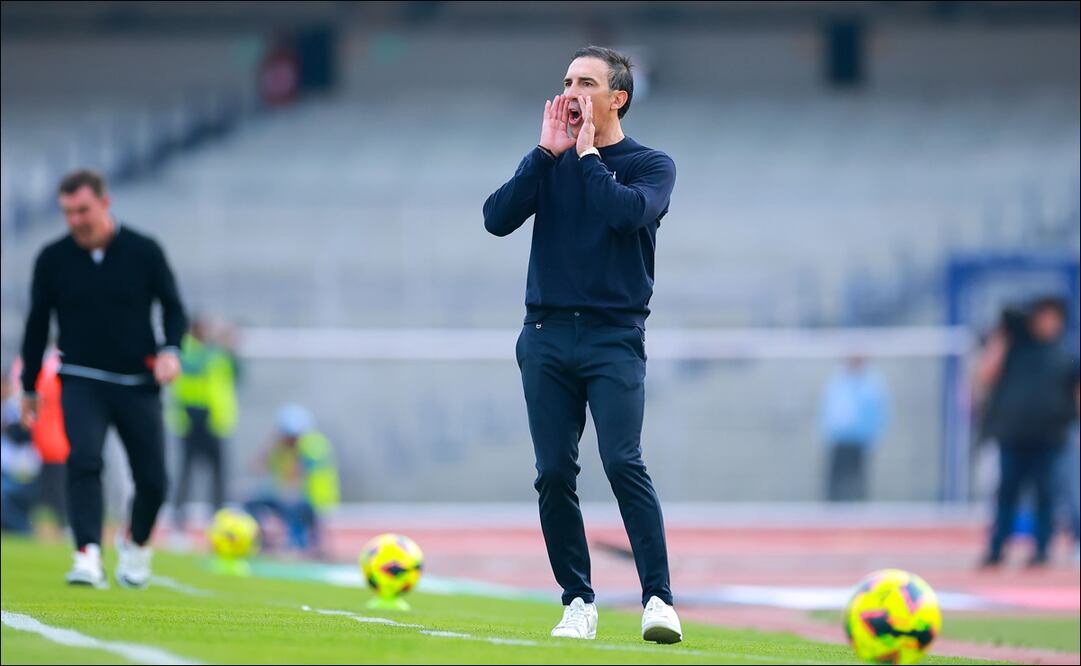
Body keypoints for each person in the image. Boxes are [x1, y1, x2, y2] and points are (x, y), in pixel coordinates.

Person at [483, 46, 682, 643]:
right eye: (567, 80)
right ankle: (577, 600)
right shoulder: (551, 162)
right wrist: (544, 155)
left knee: (623, 461)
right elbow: (496, 218)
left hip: (613, 337)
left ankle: (657, 599)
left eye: (586, 82)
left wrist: (589, 155)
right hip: (545, 335)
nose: (572, 91)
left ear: (617, 97)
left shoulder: (651, 163)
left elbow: (626, 214)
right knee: (552, 473)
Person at [19, 169, 187, 588]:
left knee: (152, 479)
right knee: (85, 460)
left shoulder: (144, 251)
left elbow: (173, 307)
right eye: (67, 212)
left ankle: (137, 543)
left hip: (136, 383)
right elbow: (37, 323)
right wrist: (28, 387)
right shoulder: (52, 259)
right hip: (81, 378)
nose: (76, 220)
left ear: (104, 203)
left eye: (82, 210)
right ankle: (87, 554)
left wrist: (171, 350)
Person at [975, 296, 1079, 567]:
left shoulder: (1065, 354)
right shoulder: (1015, 348)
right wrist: (1003, 336)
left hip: (1049, 437)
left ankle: (1042, 551)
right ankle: (997, 548)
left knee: (1046, 497)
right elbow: (985, 374)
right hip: (1013, 435)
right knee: (1006, 495)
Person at [169, 316, 240, 536]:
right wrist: (218, 345)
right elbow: (193, 368)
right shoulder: (188, 351)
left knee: (218, 473)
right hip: (191, 419)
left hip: (214, 421)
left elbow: (238, 374)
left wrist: (230, 349)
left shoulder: (217, 353)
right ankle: (178, 521)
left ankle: (219, 520)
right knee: (187, 472)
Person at [245, 404, 339, 557]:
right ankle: (260, 539)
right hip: (289, 496)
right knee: (251, 503)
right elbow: (259, 465)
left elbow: (298, 476)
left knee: (294, 507)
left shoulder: (312, 446)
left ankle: (297, 544)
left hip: (313, 500)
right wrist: (269, 447)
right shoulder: (281, 446)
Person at [11, 349, 70, 530]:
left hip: (50, 448)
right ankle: (63, 526)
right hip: (53, 448)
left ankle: (63, 526)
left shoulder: (46, 381)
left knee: (53, 494)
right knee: (53, 493)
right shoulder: (55, 381)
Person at [819, 356, 889, 502]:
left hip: (859, 441)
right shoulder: (838, 383)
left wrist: (872, 437)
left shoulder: (871, 386)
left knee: (856, 480)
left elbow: (877, 414)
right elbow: (829, 409)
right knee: (835, 481)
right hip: (838, 440)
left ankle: (858, 511)